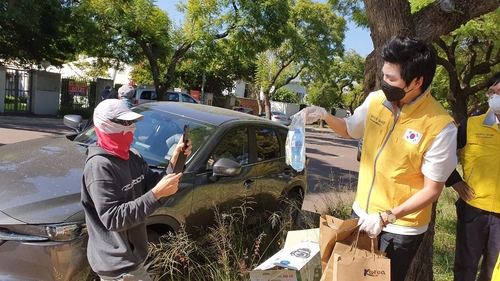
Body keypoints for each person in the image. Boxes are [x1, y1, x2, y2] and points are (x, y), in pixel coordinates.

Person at [298, 36, 457, 281]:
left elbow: (432, 190)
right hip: (361, 214)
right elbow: (351, 129)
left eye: (391, 78)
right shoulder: (376, 101)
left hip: (400, 228)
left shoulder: (440, 126)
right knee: (349, 277)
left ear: (417, 81)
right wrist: (325, 116)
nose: (384, 82)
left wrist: (386, 217)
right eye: (384, 75)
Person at [81, 99, 192, 281]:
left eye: (131, 122)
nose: (131, 127)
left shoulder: (132, 157)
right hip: (117, 266)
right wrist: (155, 195)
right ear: (104, 125)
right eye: (124, 123)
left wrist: (176, 160)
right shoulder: (99, 167)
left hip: (133, 258)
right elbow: (113, 218)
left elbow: (154, 184)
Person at [445, 73, 500, 281]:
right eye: (492, 92)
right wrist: (454, 181)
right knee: (465, 268)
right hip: (473, 209)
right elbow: (442, 155)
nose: (495, 97)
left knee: (494, 272)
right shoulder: (471, 125)